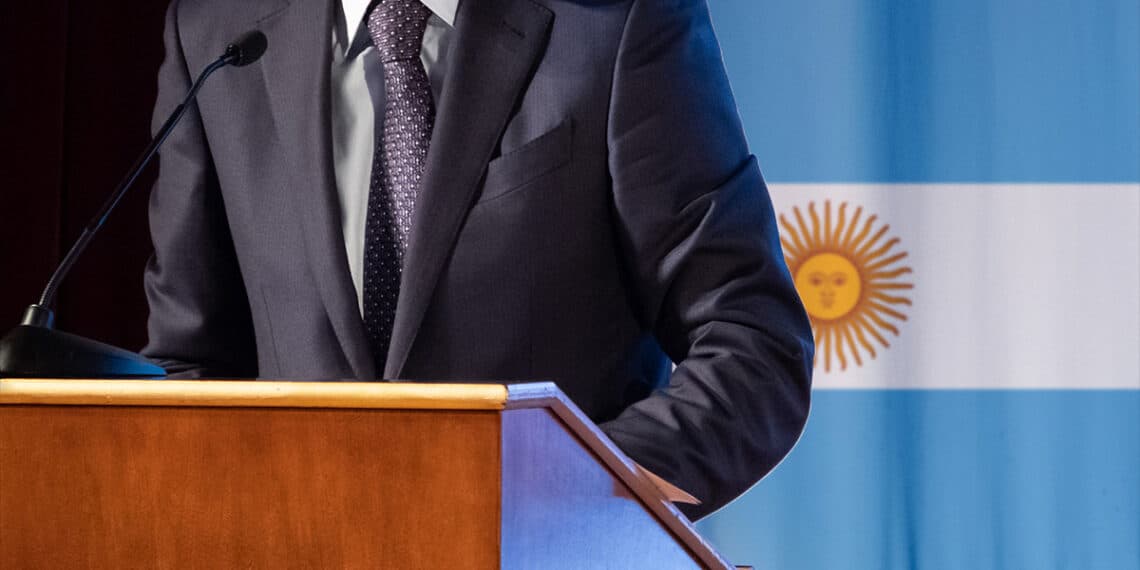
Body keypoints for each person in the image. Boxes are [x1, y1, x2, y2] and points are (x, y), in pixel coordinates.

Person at [143, 0, 814, 520]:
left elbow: (752, 343)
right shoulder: (218, 36)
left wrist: (577, 487)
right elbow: (190, 364)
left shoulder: (614, 24)